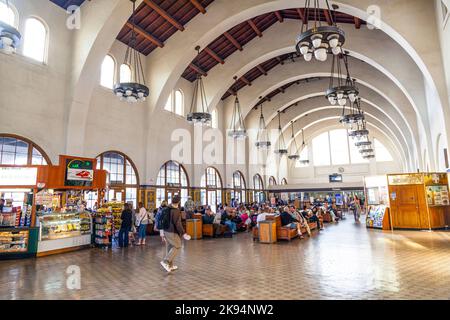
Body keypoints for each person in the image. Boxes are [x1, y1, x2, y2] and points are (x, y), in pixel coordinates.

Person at [161, 195, 190, 273]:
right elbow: (177, 223)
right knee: (178, 245)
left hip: (166, 230)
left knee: (170, 247)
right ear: (179, 202)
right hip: (172, 231)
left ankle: (170, 266)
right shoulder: (176, 210)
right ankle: (166, 261)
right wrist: (183, 233)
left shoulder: (167, 208)